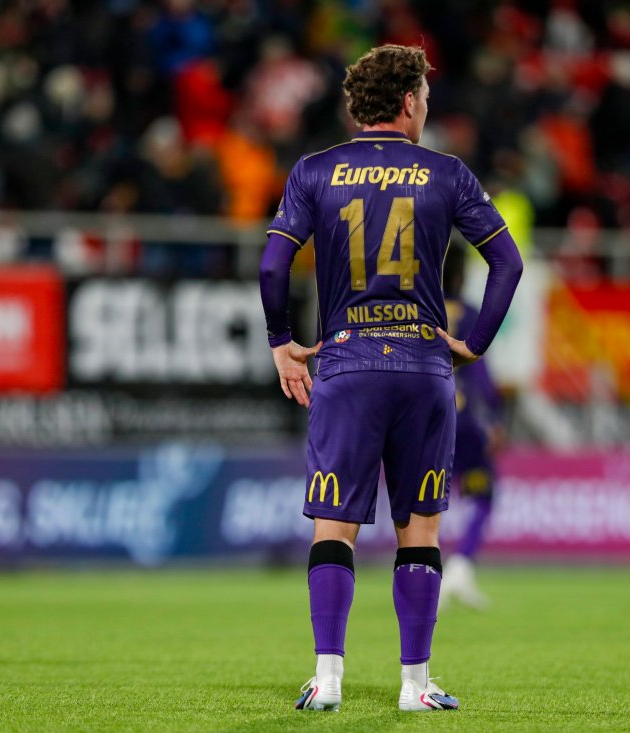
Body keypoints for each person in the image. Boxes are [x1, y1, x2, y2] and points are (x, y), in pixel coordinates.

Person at [259, 44, 523, 713]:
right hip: (422, 367)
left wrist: (284, 343)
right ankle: (415, 685)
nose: (426, 108)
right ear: (408, 103)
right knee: (420, 531)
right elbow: (508, 264)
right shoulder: (447, 173)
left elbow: (271, 267)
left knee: (333, 527)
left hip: (346, 364)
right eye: (426, 98)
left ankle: (327, 678)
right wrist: (473, 343)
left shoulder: (316, 170)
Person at [438, 241, 506, 611]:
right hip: (464, 420)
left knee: (422, 501)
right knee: (483, 495)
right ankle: (460, 568)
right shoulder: (468, 313)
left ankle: (426, 582)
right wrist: (494, 419)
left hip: (425, 417)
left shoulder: (417, 309)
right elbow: (480, 373)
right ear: (463, 274)